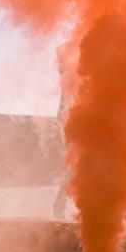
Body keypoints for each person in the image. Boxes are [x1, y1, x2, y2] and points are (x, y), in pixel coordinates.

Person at [52, 41, 77, 219]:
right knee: (74, 165)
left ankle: (60, 207)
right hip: (73, 122)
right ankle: (59, 207)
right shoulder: (70, 77)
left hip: (75, 121)